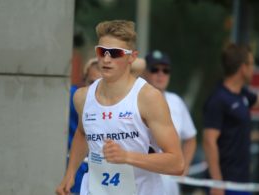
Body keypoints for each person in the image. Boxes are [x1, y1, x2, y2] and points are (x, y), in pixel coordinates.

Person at [56, 20, 185, 195]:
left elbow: (177, 163)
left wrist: (127, 157)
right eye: (102, 52)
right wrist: (70, 173)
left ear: (132, 57)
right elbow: (82, 133)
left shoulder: (148, 98)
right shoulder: (82, 97)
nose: (106, 59)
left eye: (115, 53)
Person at [203, 43, 259, 195]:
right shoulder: (218, 99)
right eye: (252, 64)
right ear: (243, 68)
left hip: (243, 182)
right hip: (225, 183)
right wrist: (217, 181)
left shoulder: (242, 94)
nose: (254, 69)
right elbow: (209, 141)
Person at [144, 50, 197, 195]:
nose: (161, 74)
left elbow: (191, 138)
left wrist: (183, 167)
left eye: (166, 70)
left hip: (169, 184)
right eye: (155, 69)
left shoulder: (176, 102)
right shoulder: (134, 99)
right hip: (142, 179)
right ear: (145, 72)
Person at [66, 58, 101, 194]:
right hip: (77, 173)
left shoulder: (115, 105)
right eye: (91, 82)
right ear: (83, 81)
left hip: (106, 176)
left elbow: (140, 65)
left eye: (100, 82)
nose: (95, 88)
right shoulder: (75, 97)